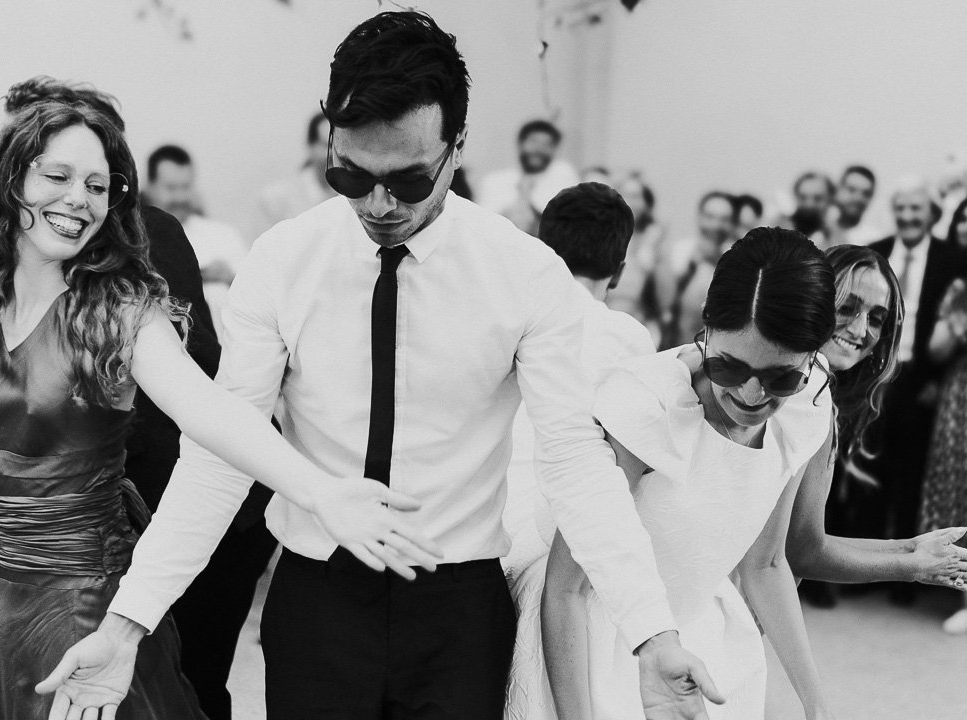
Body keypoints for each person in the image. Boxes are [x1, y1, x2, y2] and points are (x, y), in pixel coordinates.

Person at [42, 12, 717, 720]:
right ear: (329, 137)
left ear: (457, 150)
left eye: (408, 179)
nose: (379, 204)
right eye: (351, 175)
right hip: (317, 604)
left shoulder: (526, 274)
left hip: (459, 612)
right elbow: (223, 453)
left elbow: (575, 464)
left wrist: (653, 634)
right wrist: (127, 625)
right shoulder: (282, 261)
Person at [0, 98, 437, 720]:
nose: (79, 199)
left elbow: (209, 408)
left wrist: (318, 491)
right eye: (57, 176)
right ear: (14, 178)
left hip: (85, 606)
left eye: (98, 185)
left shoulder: (117, 311)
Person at [0, 75, 273, 720]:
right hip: (16, 578)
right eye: (36, 161)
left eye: (86, 177)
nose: (66, 193)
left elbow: (194, 394)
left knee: (189, 686)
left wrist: (316, 487)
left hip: (172, 516)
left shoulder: (139, 253)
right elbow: (14, 380)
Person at [529, 229, 838, 720]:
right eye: (730, 368)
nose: (753, 396)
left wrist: (815, 702)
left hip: (705, 638)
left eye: (781, 377)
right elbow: (567, 589)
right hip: (599, 646)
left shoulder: (807, 407)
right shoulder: (652, 406)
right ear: (707, 329)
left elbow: (767, 565)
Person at [787, 244, 967, 607]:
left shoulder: (815, 392)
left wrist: (910, 548)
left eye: (876, 318)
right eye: (847, 307)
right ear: (812, 298)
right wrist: (911, 565)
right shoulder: (799, 398)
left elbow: (801, 543)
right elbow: (797, 555)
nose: (860, 329)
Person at [503, 182, 655, 579]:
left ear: (541, 249)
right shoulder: (628, 337)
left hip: (483, 519)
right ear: (619, 272)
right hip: (556, 536)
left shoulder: (506, 316)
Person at [866, 177, 967, 604]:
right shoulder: (875, 252)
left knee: (910, 476)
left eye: (916, 209)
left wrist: (932, 384)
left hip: (923, 380)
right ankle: (859, 570)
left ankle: (905, 575)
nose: (908, 217)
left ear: (932, 214)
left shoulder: (953, 260)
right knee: (867, 472)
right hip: (873, 377)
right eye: (901, 208)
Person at [918, 197, 967, 632]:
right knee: (960, 487)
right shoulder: (956, 286)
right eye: (964, 222)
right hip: (961, 394)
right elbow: (936, 350)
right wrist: (955, 320)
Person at [146, 144, 248, 340]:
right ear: (150, 186)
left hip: (229, 345)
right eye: (170, 188)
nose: (180, 197)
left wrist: (229, 277)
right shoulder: (137, 238)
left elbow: (258, 295)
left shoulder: (223, 234)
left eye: (186, 187)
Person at [656, 190, 736, 348]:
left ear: (732, 223)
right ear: (699, 217)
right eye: (710, 217)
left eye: (724, 219)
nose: (716, 225)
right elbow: (663, 310)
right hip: (676, 352)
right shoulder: (679, 254)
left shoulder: (736, 260)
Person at [477, 119, 579, 235]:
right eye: (533, 142)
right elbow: (483, 223)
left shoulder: (563, 179)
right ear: (521, 144)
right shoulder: (494, 181)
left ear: (554, 150)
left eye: (547, 144)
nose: (539, 149)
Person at [250, 111, 337, 242]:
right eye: (327, 145)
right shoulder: (276, 198)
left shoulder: (355, 195)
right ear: (310, 145)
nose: (334, 154)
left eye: (340, 146)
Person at [610, 172, 667, 337]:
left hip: (641, 326)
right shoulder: (602, 237)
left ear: (646, 203)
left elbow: (665, 300)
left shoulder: (653, 240)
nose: (629, 202)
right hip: (606, 321)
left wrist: (652, 247)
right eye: (623, 194)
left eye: (636, 196)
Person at [828, 165, 882, 246]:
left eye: (866, 194)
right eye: (852, 190)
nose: (858, 198)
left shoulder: (874, 241)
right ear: (838, 190)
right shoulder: (817, 232)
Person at [783, 171, 835, 251]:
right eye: (803, 197)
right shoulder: (777, 233)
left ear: (829, 200)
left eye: (817, 198)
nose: (809, 204)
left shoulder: (836, 239)